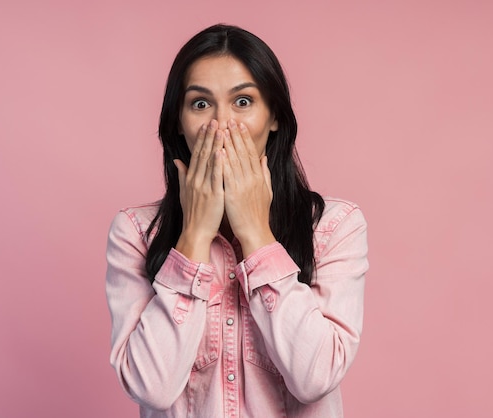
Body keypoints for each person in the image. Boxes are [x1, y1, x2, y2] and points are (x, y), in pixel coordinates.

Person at [105, 24, 368, 418]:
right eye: (200, 104)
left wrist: (256, 235)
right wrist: (193, 236)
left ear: (274, 116)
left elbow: (315, 377)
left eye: (243, 102)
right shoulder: (137, 233)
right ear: (178, 121)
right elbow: (151, 388)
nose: (222, 125)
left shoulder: (334, 226)